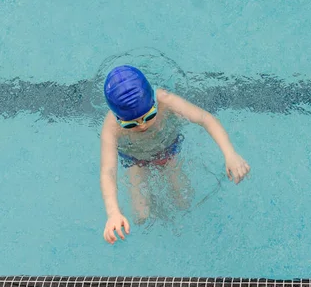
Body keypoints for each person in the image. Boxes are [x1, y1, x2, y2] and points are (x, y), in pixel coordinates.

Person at [99, 65, 250, 244]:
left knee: (183, 202)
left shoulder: (165, 100)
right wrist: (113, 213)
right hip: (135, 160)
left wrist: (230, 154)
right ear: (118, 118)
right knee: (141, 217)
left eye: (149, 116)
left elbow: (205, 118)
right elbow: (108, 171)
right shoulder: (111, 127)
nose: (142, 126)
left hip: (168, 151)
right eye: (131, 124)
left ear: (154, 102)